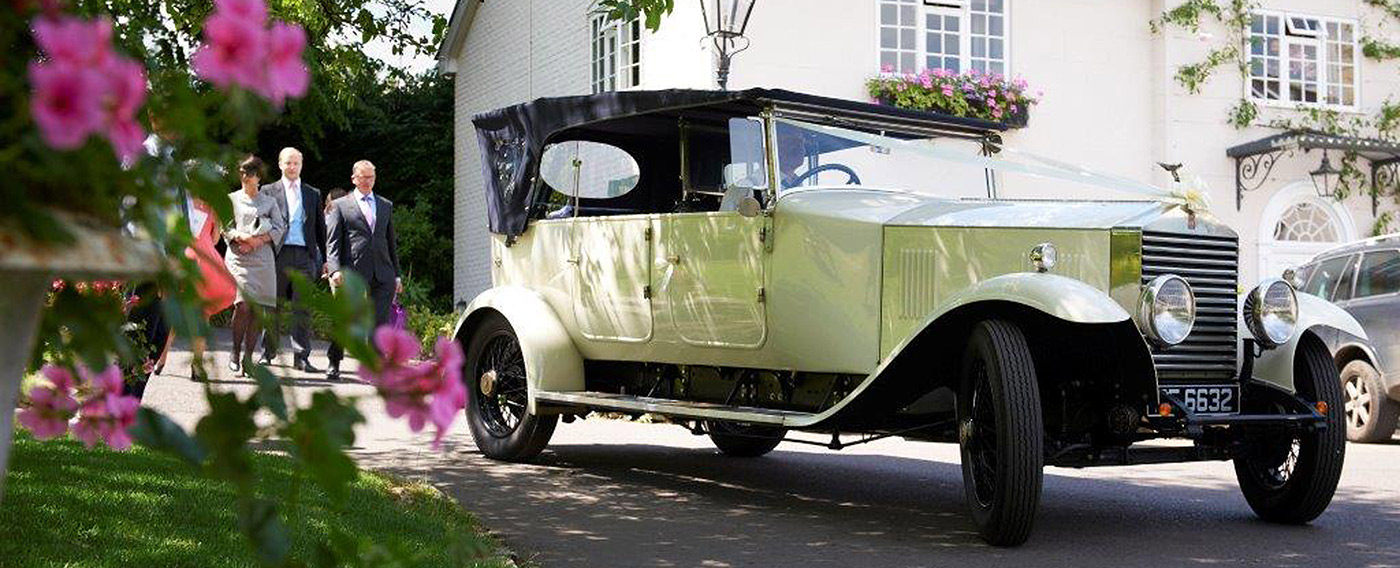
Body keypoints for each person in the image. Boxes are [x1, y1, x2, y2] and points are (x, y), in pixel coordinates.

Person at [325, 161, 401, 380]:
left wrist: (397, 275)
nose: (367, 181)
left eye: (371, 177)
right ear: (354, 179)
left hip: (383, 273)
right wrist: (334, 270)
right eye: (363, 177)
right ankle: (334, 360)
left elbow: (390, 242)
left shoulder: (385, 205)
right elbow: (333, 242)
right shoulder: (340, 205)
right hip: (352, 272)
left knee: (379, 322)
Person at [258, 147, 327, 373]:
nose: (292, 167)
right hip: (277, 254)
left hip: (305, 256)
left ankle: (301, 357)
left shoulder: (312, 193)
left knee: (303, 309)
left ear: (301, 165)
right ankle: (267, 353)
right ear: (280, 164)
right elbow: (261, 225)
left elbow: (320, 229)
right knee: (272, 306)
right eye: (288, 162)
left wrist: (326, 259)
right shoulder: (268, 191)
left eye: (296, 163)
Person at [224, 156, 285, 375]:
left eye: (249, 173)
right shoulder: (231, 199)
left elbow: (279, 228)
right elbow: (225, 227)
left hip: (262, 260)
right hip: (239, 257)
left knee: (258, 309)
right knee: (243, 305)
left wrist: (257, 241)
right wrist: (241, 237)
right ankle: (234, 352)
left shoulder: (269, 202)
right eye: (241, 172)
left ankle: (248, 359)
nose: (244, 176)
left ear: (258, 176)